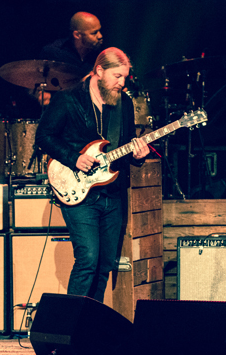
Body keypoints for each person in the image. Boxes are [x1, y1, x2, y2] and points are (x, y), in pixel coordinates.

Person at [35, 47, 149, 302]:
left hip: (111, 192)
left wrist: (137, 155)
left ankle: (90, 326)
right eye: (117, 76)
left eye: (125, 77)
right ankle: (67, 329)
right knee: (87, 259)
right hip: (79, 192)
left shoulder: (124, 103)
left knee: (105, 264)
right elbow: (43, 137)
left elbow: (124, 146)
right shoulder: (68, 99)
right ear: (99, 71)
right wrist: (74, 158)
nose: (122, 83)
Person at [34, 12, 104, 107]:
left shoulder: (99, 56)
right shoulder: (53, 52)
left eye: (99, 31)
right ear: (77, 35)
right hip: (58, 111)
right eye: (94, 33)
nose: (100, 36)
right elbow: (30, 81)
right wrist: (39, 94)